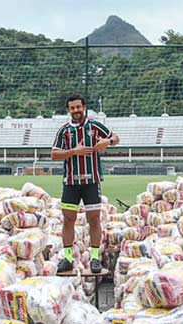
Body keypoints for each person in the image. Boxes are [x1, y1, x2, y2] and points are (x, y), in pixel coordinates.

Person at [51, 93, 120, 274]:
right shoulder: (64, 131)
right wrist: (74, 151)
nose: (76, 111)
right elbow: (54, 154)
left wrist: (108, 141)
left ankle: (95, 258)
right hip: (71, 182)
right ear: (68, 110)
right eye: (72, 108)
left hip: (92, 181)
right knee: (68, 219)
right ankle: (67, 258)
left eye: (78, 107)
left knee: (94, 219)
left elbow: (116, 138)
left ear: (84, 107)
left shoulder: (95, 126)